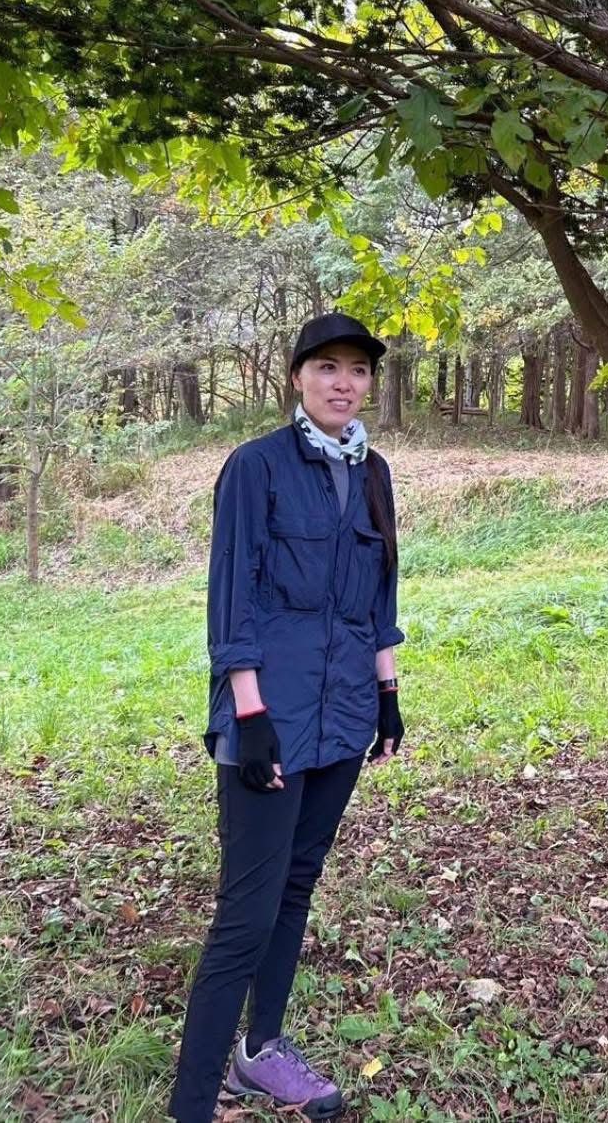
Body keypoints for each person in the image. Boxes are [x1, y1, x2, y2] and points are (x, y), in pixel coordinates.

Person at [168, 312, 404, 1123]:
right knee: (246, 914)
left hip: (344, 714)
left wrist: (387, 693)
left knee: (297, 886)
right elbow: (231, 592)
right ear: (297, 377)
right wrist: (250, 713)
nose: (344, 382)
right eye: (327, 366)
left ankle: (260, 1053)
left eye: (358, 369)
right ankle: (191, 1104)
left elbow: (380, 593)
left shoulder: (373, 471)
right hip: (268, 712)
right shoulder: (256, 466)